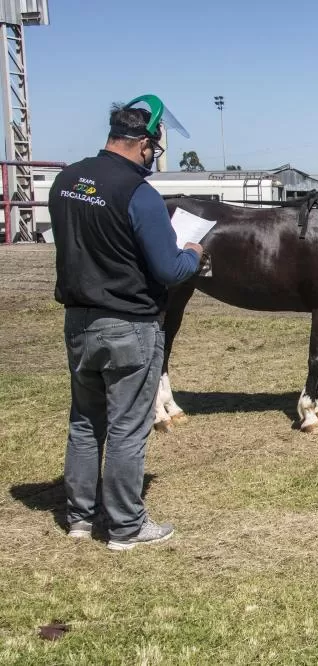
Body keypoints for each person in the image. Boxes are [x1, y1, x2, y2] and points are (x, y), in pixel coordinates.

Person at [48, 96, 203, 550]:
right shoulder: (139, 195)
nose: (153, 156)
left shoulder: (66, 180)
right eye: (154, 147)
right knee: (127, 428)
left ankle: (79, 516)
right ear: (142, 144)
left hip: (78, 321)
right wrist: (193, 254)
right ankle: (126, 526)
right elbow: (170, 270)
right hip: (129, 324)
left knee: (84, 422)